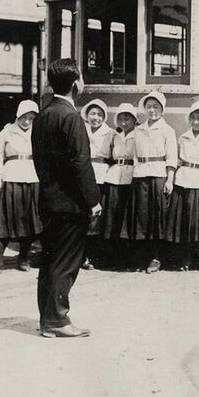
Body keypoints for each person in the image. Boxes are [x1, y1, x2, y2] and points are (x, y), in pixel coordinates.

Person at [32, 59, 101, 338]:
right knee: (66, 262)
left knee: (49, 261)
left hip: (48, 200)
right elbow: (81, 163)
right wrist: (93, 200)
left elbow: (40, 161)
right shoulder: (71, 117)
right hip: (70, 204)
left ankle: (47, 319)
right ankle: (59, 320)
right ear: (75, 84)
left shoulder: (43, 114)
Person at [0, 100, 42, 276]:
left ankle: (23, 257)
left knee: (28, 219)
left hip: (32, 178)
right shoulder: (6, 132)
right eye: (24, 117)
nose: (27, 122)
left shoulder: (38, 133)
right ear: (18, 116)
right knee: (5, 219)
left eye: (31, 118)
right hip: (11, 177)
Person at [125, 90, 177, 274]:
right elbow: (134, 155)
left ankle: (156, 257)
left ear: (162, 109)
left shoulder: (167, 130)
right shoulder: (138, 130)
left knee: (157, 218)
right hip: (140, 176)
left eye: (156, 107)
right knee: (141, 217)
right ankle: (141, 257)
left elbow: (171, 158)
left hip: (159, 175)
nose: (152, 110)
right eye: (149, 107)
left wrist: (169, 180)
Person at [165, 101, 199, 272]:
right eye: (194, 118)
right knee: (184, 220)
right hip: (184, 180)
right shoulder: (183, 137)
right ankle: (185, 258)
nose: (197, 122)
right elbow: (178, 160)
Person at [99, 102, 137, 270]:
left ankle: (127, 257)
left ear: (134, 120)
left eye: (127, 118)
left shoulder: (138, 135)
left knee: (126, 219)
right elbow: (107, 155)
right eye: (120, 118)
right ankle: (110, 257)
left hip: (130, 176)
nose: (123, 122)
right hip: (114, 177)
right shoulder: (114, 135)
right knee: (112, 218)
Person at [81, 98, 113, 270]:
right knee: (84, 216)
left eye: (100, 114)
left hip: (102, 176)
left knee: (98, 217)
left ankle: (94, 254)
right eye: (93, 113)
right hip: (84, 175)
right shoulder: (80, 129)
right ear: (87, 115)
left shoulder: (111, 133)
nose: (96, 118)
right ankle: (82, 255)